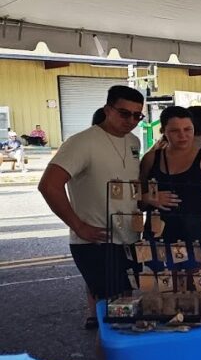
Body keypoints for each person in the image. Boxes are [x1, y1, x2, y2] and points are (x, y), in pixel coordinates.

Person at [39, 86, 175, 329]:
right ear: (107, 110)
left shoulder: (133, 142)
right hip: (97, 242)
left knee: (125, 308)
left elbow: (128, 188)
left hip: (129, 239)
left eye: (137, 115)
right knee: (110, 313)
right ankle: (108, 350)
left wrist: (147, 198)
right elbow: (49, 185)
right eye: (124, 113)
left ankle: (118, 348)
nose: (131, 120)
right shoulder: (81, 142)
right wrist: (78, 225)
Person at [139, 106, 201, 268]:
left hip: (197, 238)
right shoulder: (151, 158)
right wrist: (148, 198)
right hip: (159, 238)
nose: (183, 135)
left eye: (188, 129)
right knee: (160, 283)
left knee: (198, 282)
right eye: (175, 131)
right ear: (163, 131)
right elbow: (136, 200)